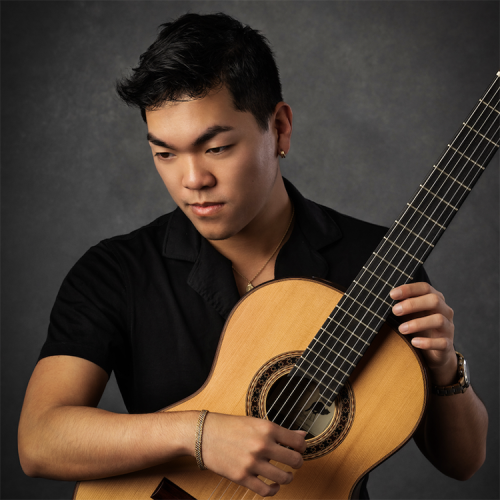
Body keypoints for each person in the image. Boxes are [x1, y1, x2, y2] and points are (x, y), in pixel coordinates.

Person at [18, 12, 488, 499]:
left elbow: (462, 463)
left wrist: (445, 368)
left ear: (280, 129)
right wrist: (198, 434)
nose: (192, 179)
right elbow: (39, 440)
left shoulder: (379, 262)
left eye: (217, 147)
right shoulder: (114, 272)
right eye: (165, 153)